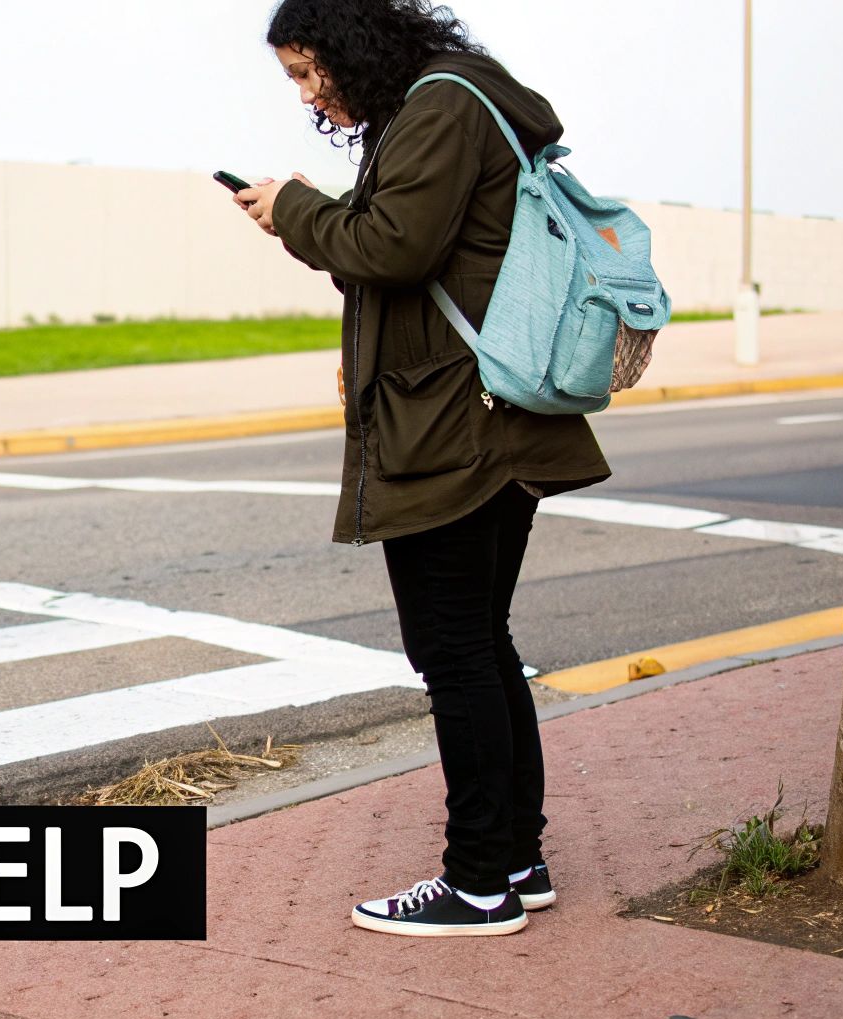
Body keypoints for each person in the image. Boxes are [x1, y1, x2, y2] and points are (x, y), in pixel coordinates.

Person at [233, 0, 611, 936]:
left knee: (455, 656)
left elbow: (393, 249)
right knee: (482, 647)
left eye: (306, 69)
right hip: (482, 416)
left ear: (353, 47)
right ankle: (515, 862)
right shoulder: (451, 104)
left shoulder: (440, 107)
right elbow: (400, 249)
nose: (307, 91)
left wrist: (294, 209)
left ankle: (479, 882)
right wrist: (315, 222)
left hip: (453, 427)